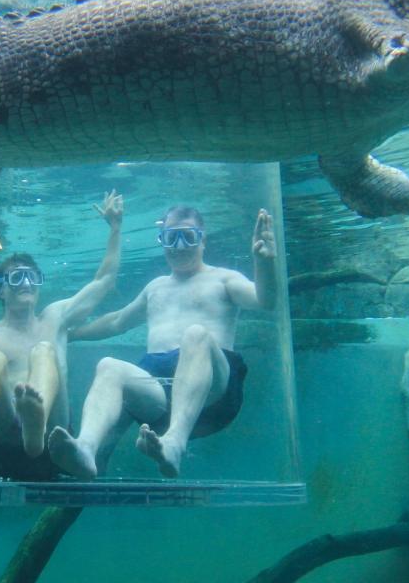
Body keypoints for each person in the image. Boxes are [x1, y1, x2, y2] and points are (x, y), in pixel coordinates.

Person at [48, 204, 276, 480]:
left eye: (187, 237)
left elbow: (265, 300)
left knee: (195, 334)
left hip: (213, 392)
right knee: (108, 366)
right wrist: (71, 333)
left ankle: (174, 444)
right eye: (171, 238)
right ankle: (85, 449)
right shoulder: (155, 287)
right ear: (162, 241)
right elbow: (117, 321)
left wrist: (264, 263)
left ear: (203, 240)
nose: (179, 246)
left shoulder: (224, 279)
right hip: (158, 397)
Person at [0, 190, 123, 480]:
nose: (27, 283)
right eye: (17, 277)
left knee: (44, 350)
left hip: (50, 446)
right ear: (1, 290)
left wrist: (116, 228)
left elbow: (104, 281)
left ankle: (36, 420)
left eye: (33, 277)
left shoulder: (55, 318)